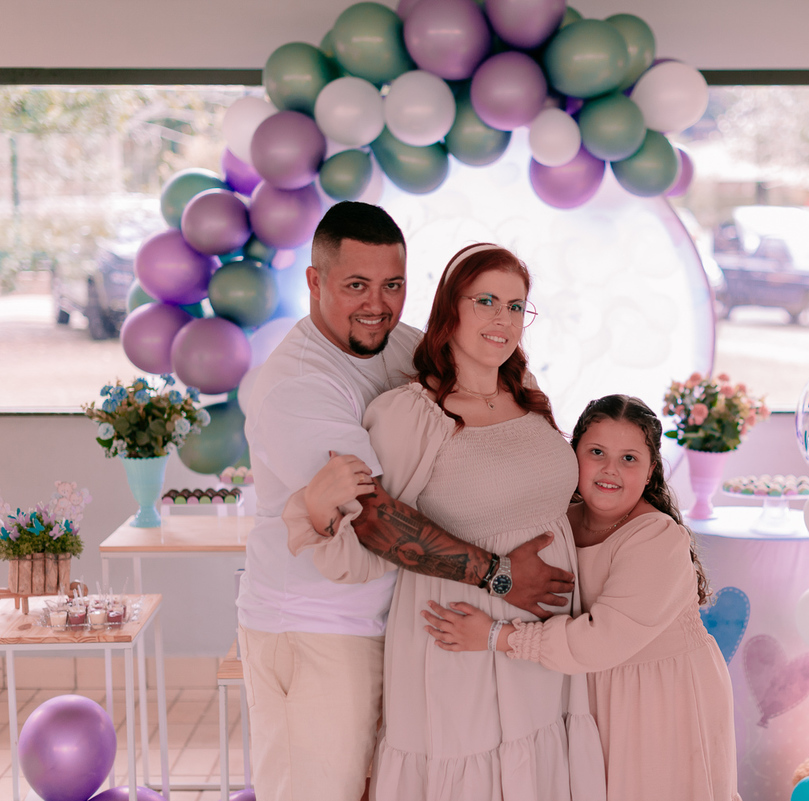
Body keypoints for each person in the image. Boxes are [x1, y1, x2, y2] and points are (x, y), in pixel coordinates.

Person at [238, 207, 574, 801]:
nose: (377, 304)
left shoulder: (400, 344)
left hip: (400, 623)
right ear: (314, 281)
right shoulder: (300, 384)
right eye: (356, 285)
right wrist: (501, 577)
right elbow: (375, 518)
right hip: (318, 628)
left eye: (392, 285)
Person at [422, 394, 742, 801]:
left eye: (629, 458)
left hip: (663, 694)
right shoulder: (560, 522)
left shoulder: (656, 537)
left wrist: (496, 636)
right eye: (596, 452)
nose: (610, 469)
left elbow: (600, 640)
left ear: (650, 472)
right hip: (596, 687)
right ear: (573, 455)